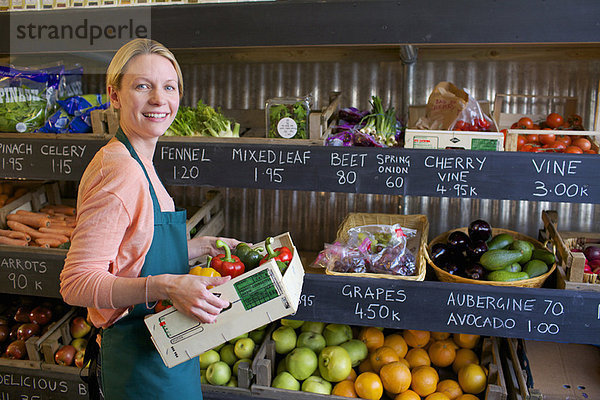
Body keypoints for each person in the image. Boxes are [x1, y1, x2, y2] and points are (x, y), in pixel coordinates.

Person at [60, 38, 239, 399]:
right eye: (143, 86)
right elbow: (76, 282)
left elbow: (134, 252)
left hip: (165, 350)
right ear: (114, 95)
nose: (159, 99)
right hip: (138, 362)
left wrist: (201, 247)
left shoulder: (140, 162)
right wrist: (167, 286)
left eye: (169, 87)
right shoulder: (120, 171)